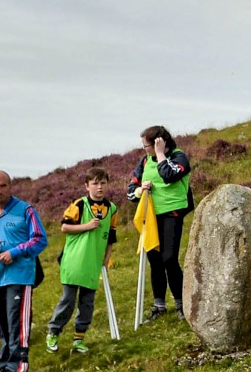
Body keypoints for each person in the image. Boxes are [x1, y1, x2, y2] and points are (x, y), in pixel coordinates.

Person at [0, 170, 47, 372]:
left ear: (10, 186)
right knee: (3, 324)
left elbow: (40, 240)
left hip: (20, 277)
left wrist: (13, 252)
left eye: (3, 186)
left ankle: (17, 367)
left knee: (17, 323)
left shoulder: (26, 210)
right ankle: (5, 364)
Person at [46, 168, 119, 354]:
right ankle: (53, 332)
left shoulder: (112, 209)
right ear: (87, 186)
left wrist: (106, 258)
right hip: (74, 261)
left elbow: (111, 237)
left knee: (87, 303)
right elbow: (64, 227)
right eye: (95, 183)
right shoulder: (79, 205)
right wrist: (87, 226)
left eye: (103, 183)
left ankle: (79, 339)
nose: (99, 187)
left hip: (93, 263)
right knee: (68, 300)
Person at [127, 127, 194, 320]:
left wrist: (159, 154)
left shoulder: (179, 157)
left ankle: (182, 304)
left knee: (169, 258)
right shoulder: (144, 161)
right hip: (151, 215)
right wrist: (140, 190)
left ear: (159, 142)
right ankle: (159, 305)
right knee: (154, 260)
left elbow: (169, 175)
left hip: (172, 213)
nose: (144, 150)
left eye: (147, 145)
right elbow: (131, 190)